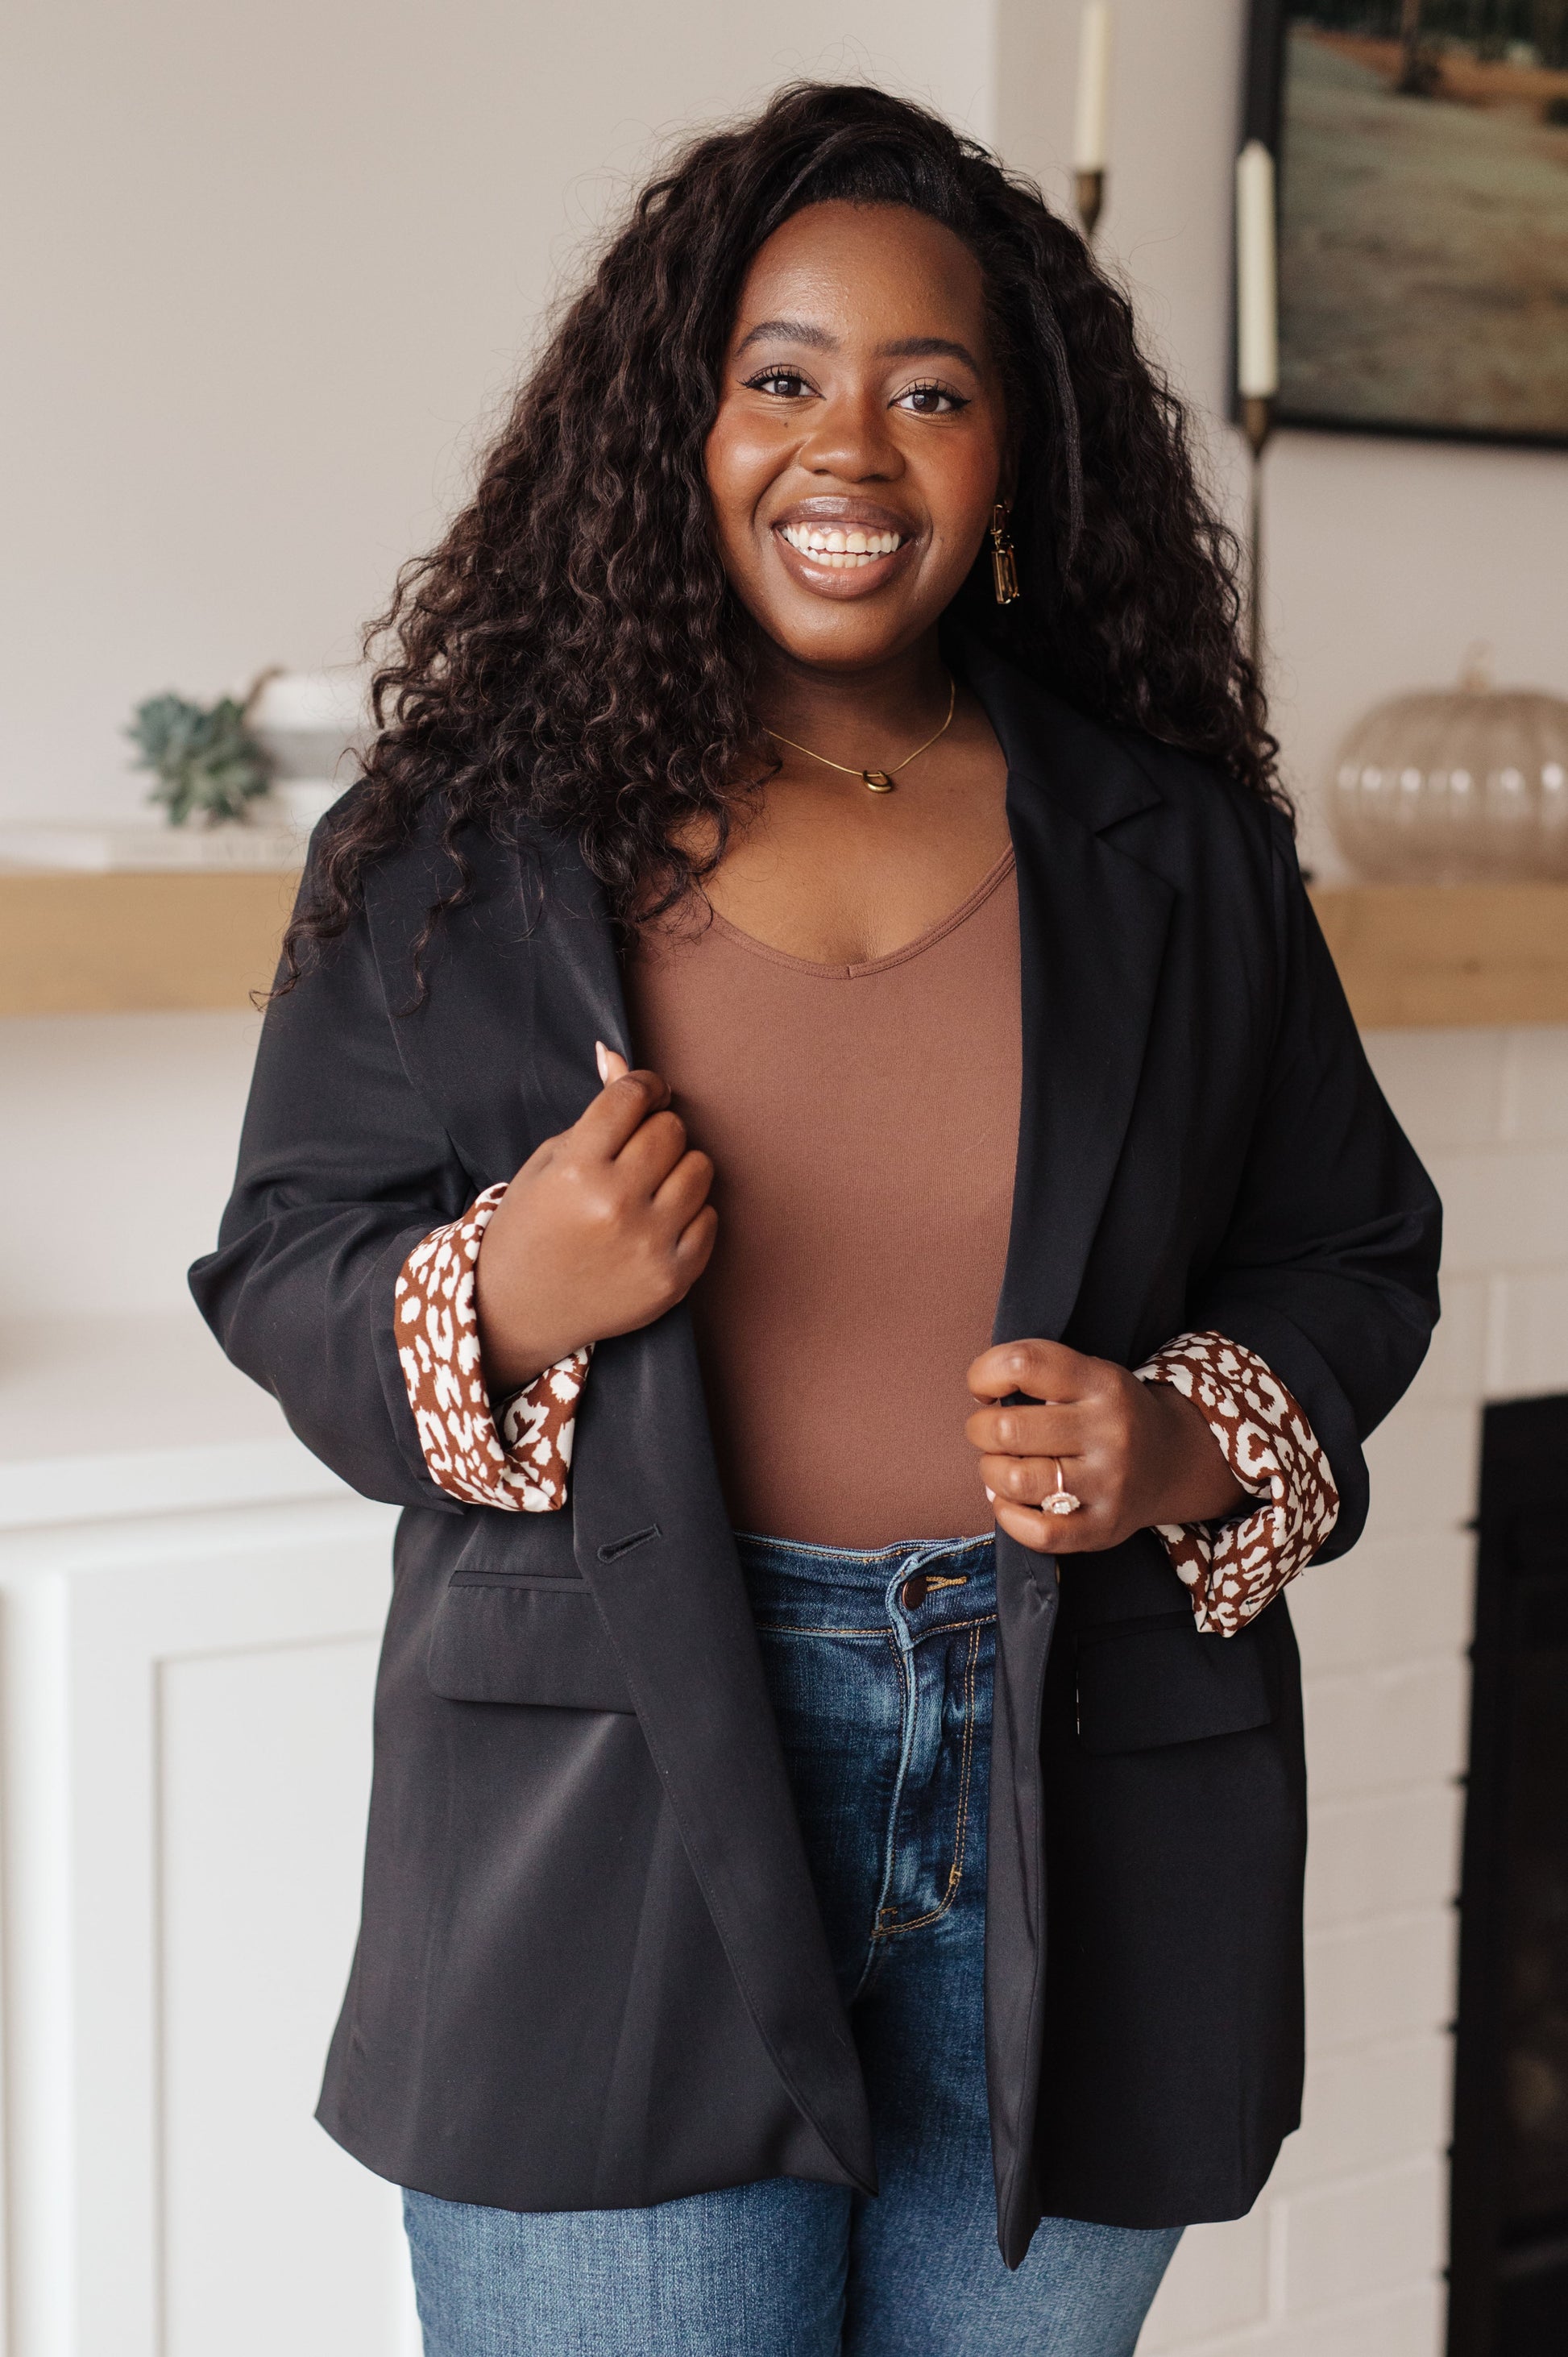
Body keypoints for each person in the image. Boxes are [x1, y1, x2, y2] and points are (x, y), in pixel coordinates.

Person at [192, 82, 1441, 2357]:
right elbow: (283, 1259)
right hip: (607, 1810)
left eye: (928, 394)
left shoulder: (1175, 851)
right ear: (675, 426)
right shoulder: (460, 840)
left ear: (1014, 463)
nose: (847, 449)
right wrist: (505, 1291)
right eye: (780, 378)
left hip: (1081, 1796)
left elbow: (1347, 1247)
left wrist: (1184, 1440)